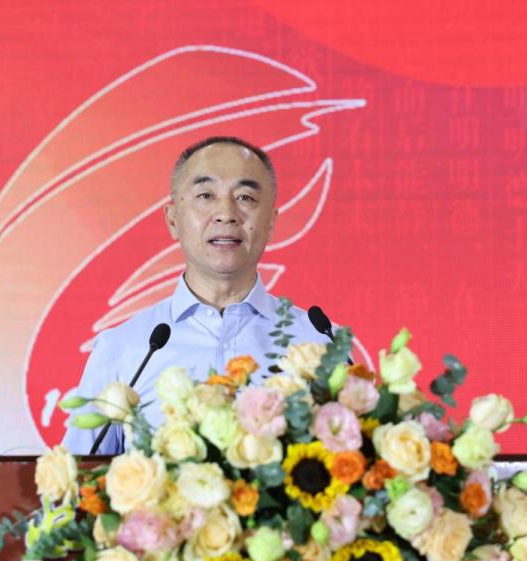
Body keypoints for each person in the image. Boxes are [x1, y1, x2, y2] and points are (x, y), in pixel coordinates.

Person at [63, 136, 336, 454]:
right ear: (173, 220)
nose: (226, 214)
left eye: (245, 197)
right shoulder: (124, 348)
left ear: (271, 222)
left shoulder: (319, 344)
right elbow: (81, 477)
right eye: (206, 195)